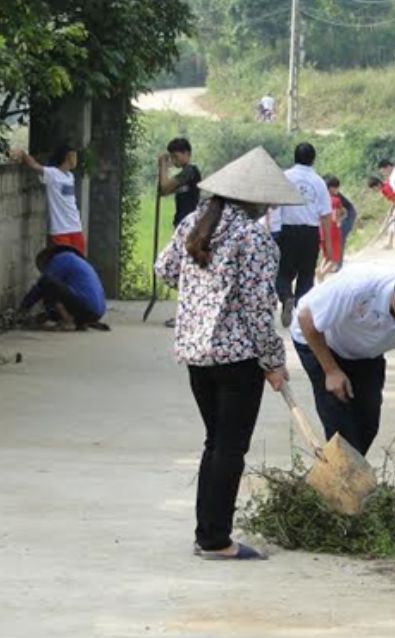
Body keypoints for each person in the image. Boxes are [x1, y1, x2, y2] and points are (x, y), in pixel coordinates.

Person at [155, 147, 295, 561]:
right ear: (252, 199)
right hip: (237, 361)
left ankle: (207, 535)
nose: (269, 204)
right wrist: (273, 361)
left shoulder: (192, 225)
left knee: (215, 443)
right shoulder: (254, 238)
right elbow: (257, 308)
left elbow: (165, 271)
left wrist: (203, 292)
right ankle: (216, 540)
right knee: (230, 448)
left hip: (198, 356)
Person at [292, 267, 395, 457]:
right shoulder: (357, 289)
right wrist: (331, 371)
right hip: (319, 340)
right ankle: (344, 482)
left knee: (367, 425)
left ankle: (347, 475)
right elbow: (306, 318)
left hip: (365, 353)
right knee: (343, 429)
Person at [276, 142, 333, 327]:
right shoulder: (319, 182)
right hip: (310, 233)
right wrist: (328, 248)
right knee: (306, 275)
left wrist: (273, 234)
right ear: (313, 159)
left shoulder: (284, 177)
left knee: (282, 272)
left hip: (287, 231)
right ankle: (301, 314)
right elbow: (326, 216)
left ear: (295, 157)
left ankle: (285, 297)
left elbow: (274, 208)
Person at [158, 137, 203, 327]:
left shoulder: (190, 172)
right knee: (181, 270)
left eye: (176, 157)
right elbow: (163, 191)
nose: (174, 161)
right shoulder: (185, 172)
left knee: (184, 271)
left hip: (189, 228)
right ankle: (187, 313)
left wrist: (162, 168)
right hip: (183, 227)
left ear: (186, 154)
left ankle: (186, 314)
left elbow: (165, 187)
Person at [12, 143, 85, 254]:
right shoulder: (53, 174)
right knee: (64, 262)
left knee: (79, 261)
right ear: (67, 157)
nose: (76, 160)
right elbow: (35, 166)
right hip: (60, 230)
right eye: (73, 156)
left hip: (75, 227)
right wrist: (23, 154)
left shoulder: (70, 176)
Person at [18, 245, 106, 330]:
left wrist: (23, 308)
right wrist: (47, 315)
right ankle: (78, 322)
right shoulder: (77, 262)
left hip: (86, 306)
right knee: (52, 289)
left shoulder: (62, 258)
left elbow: (41, 285)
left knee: (46, 282)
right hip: (97, 313)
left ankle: (67, 321)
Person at [320, 175, 345, 272]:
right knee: (334, 259)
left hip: (321, 231)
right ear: (332, 188)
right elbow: (336, 218)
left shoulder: (320, 200)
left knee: (325, 256)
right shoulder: (335, 200)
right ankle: (322, 273)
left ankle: (320, 273)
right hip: (333, 231)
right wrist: (341, 219)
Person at [367, 175, 395, 249]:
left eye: (374, 188)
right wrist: (391, 211)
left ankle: (391, 244)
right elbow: (394, 200)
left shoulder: (385, 189)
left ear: (378, 185)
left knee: (394, 224)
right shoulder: (385, 187)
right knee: (392, 223)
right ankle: (390, 243)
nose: (374, 191)